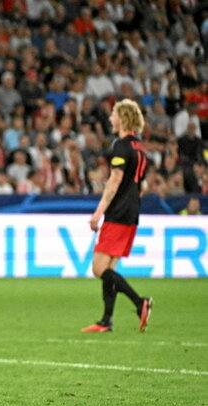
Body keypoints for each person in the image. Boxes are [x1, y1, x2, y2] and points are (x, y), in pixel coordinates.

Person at [82, 99, 153, 333]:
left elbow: (114, 182)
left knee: (98, 268)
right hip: (132, 212)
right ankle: (106, 320)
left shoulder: (121, 146)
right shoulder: (140, 148)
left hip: (118, 212)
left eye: (114, 114)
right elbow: (142, 185)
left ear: (122, 118)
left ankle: (139, 302)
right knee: (109, 267)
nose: (110, 118)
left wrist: (97, 213)